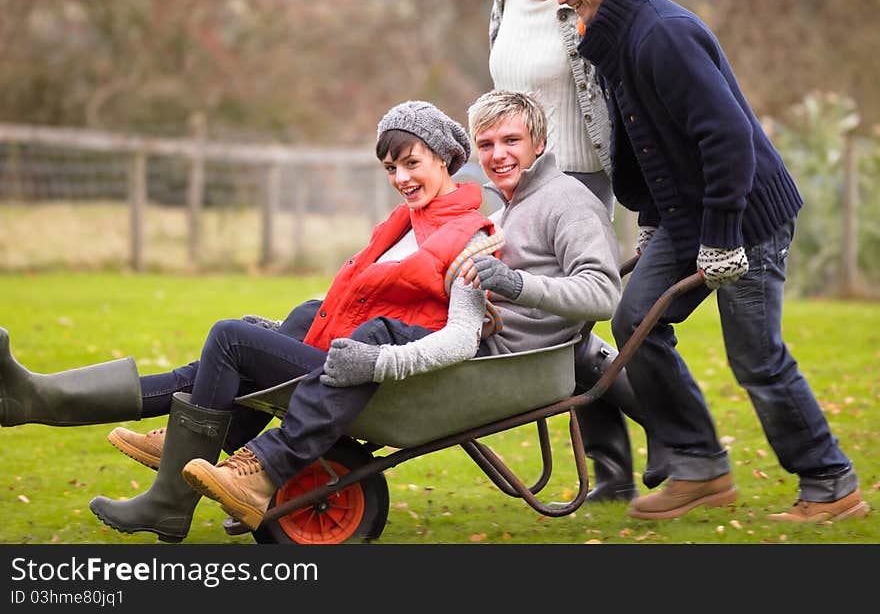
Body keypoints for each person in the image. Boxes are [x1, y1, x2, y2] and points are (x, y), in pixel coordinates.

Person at [0, 100, 501, 542]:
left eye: (411, 163)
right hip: (344, 357)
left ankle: (169, 485)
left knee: (231, 340)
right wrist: (288, 331)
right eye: (391, 168)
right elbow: (358, 304)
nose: (401, 178)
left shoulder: (469, 233)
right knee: (223, 359)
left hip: (379, 372)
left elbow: (447, 326)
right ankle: (46, 398)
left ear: (445, 159)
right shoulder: (403, 225)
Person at [539, 0, 870, 522]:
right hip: (687, 220)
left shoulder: (660, 33)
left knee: (757, 358)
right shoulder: (615, 37)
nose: (560, 1)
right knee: (634, 319)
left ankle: (831, 483)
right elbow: (643, 139)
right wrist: (651, 220)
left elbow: (728, 140)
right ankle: (699, 466)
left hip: (742, 216)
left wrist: (721, 237)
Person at [185, 89, 630, 529]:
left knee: (361, 336)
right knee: (306, 317)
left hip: (505, 365)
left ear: (539, 142)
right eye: (487, 144)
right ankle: (210, 447)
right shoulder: (514, 204)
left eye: (511, 141)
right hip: (486, 348)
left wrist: (515, 284)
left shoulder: (566, 201)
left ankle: (237, 458)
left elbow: (602, 295)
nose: (498, 155)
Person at [488, 0, 668, 499]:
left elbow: (622, 89)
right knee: (565, 333)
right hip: (523, 176)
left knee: (566, 325)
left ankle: (673, 436)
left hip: (580, 175)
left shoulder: (584, 0)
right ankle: (626, 466)